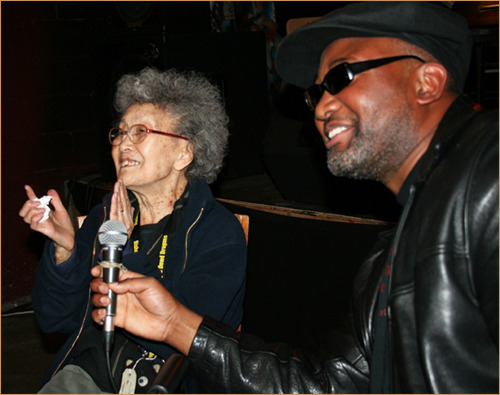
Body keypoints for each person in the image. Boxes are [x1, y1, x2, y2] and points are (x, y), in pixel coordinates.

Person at [90, 2, 498, 393]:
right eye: (315, 93)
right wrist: (177, 326)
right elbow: (329, 384)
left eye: (340, 78)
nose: (322, 107)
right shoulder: (398, 246)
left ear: (426, 81)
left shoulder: (486, 178)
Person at [19, 67, 247, 393]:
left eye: (141, 132)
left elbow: (179, 339)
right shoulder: (104, 219)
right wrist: (66, 253)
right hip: (89, 377)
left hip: (168, 384)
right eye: (119, 132)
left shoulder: (217, 233)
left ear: (184, 153)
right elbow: (54, 320)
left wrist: (124, 253)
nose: (123, 144)